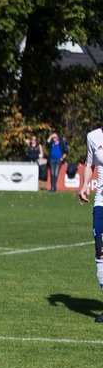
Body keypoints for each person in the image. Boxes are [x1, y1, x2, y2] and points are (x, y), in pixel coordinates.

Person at [79, 124, 103, 322]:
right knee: (100, 251)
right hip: (101, 203)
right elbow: (89, 164)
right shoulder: (93, 137)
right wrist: (85, 186)